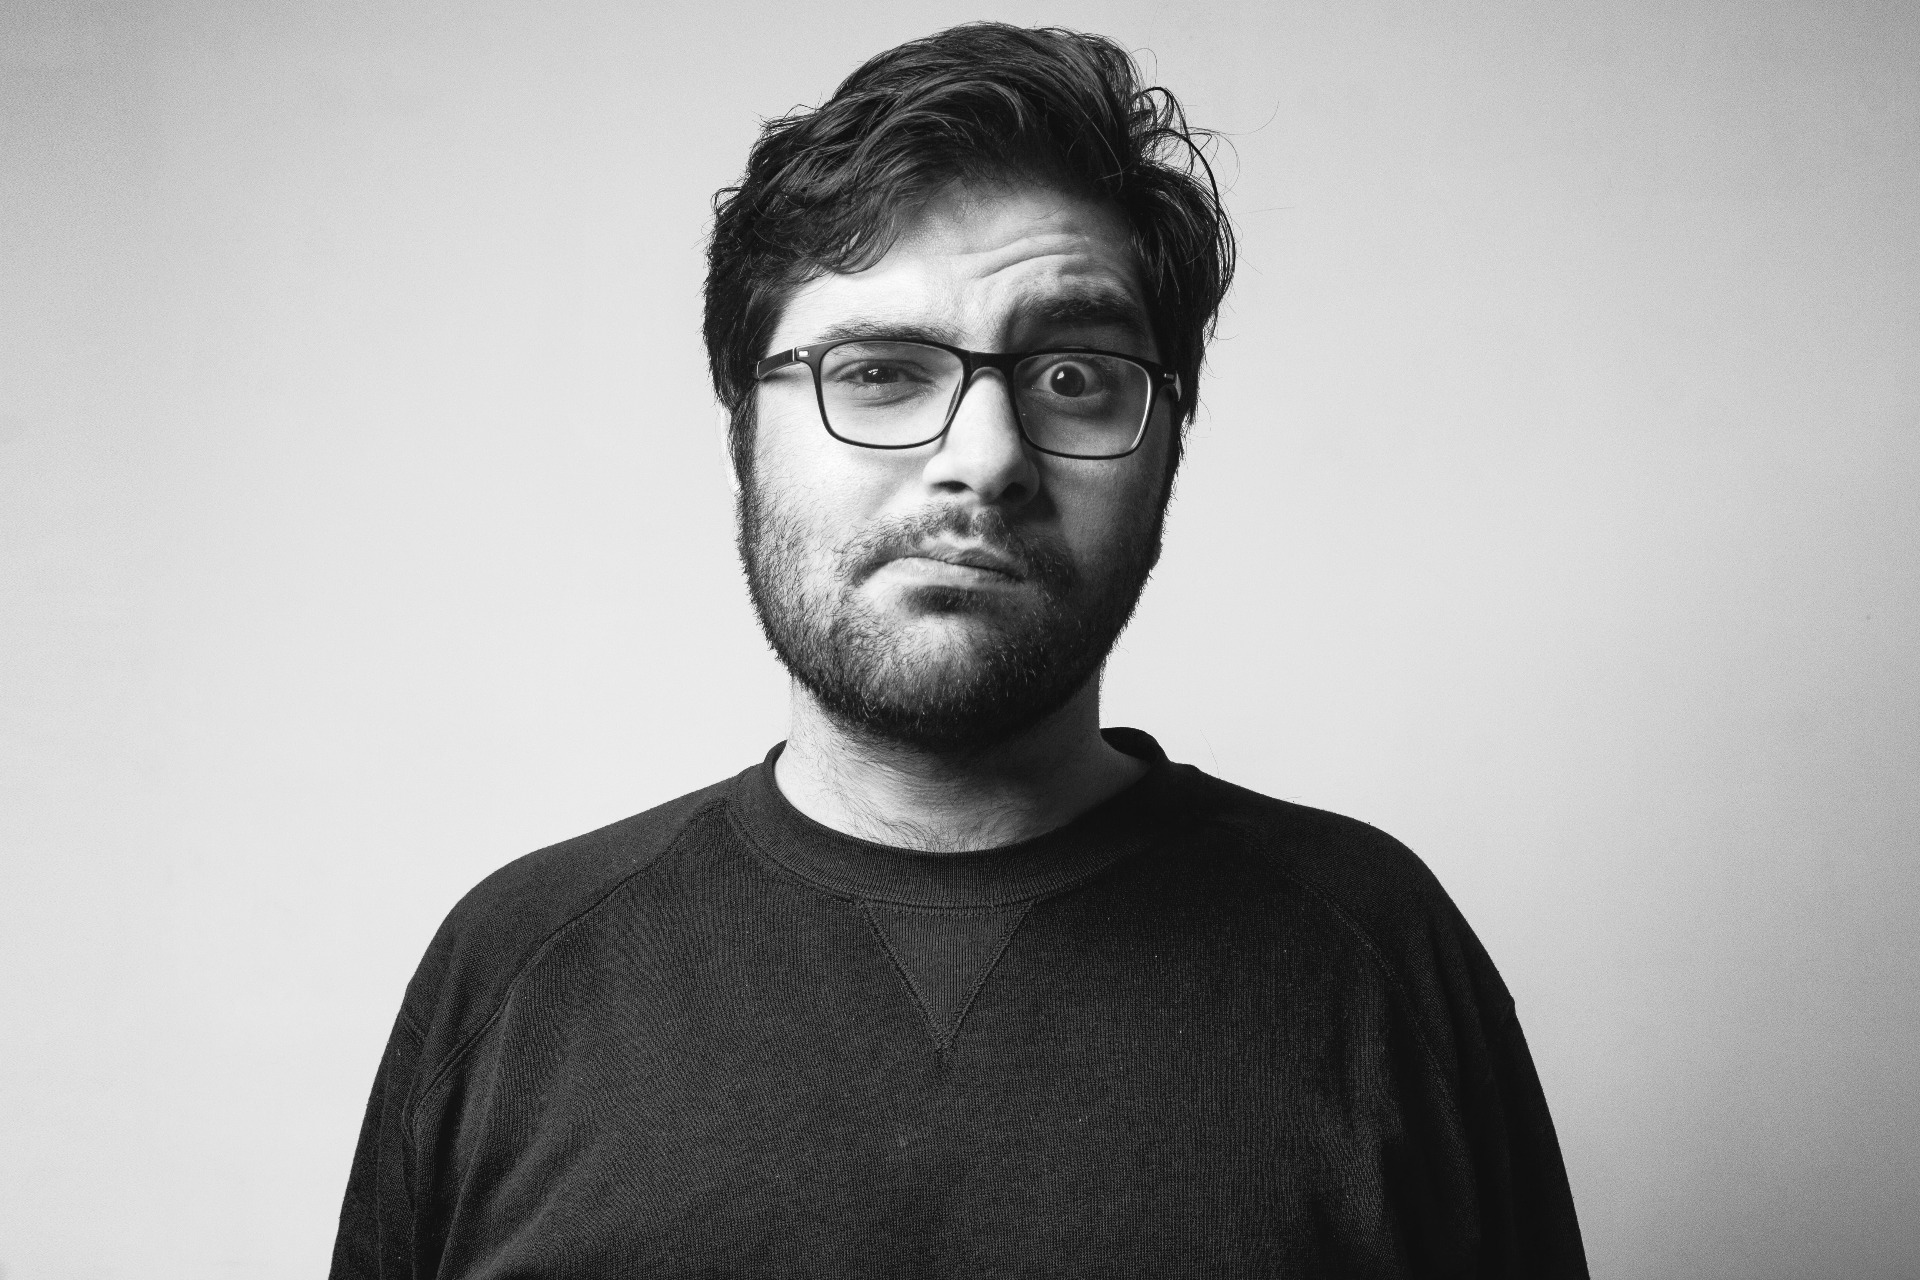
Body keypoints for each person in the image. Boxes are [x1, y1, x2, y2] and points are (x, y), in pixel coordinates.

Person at [330, 23, 1588, 1278]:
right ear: (742, 435)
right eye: (881, 371)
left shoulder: (1377, 958)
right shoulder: (517, 970)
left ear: (1168, 446)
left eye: (1074, 376)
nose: (984, 459)